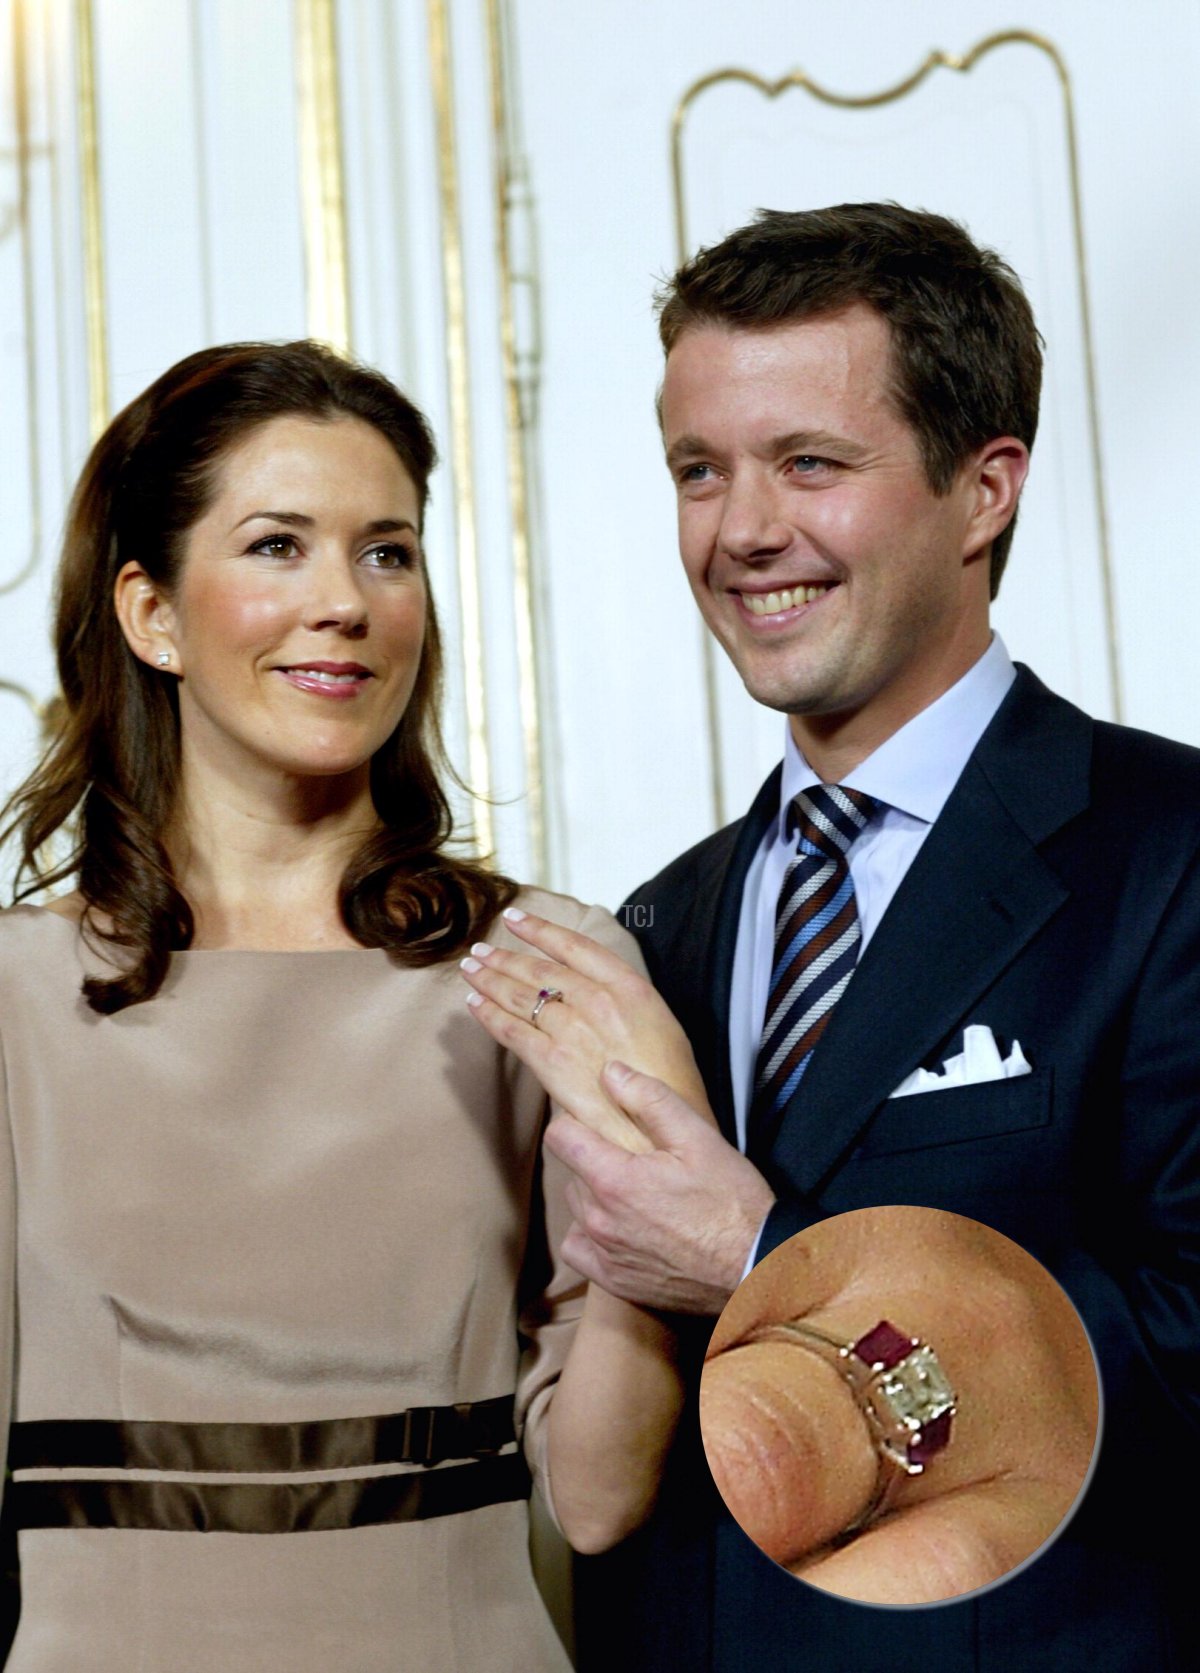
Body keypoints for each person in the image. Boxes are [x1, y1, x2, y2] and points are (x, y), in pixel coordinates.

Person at [462, 206, 1200, 1669]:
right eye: (700, 470)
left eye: (810, 461)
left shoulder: (1168, 855)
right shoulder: (661, 926)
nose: (743, 530)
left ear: (983, 490)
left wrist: (763, 1256)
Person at [0, 340, 700, 1671]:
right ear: (152, 614)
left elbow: (602, 1498)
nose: (345, 602)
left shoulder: (549, 967)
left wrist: (658, 1138)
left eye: (388, 552)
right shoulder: (15, 1000)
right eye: (277, 546)